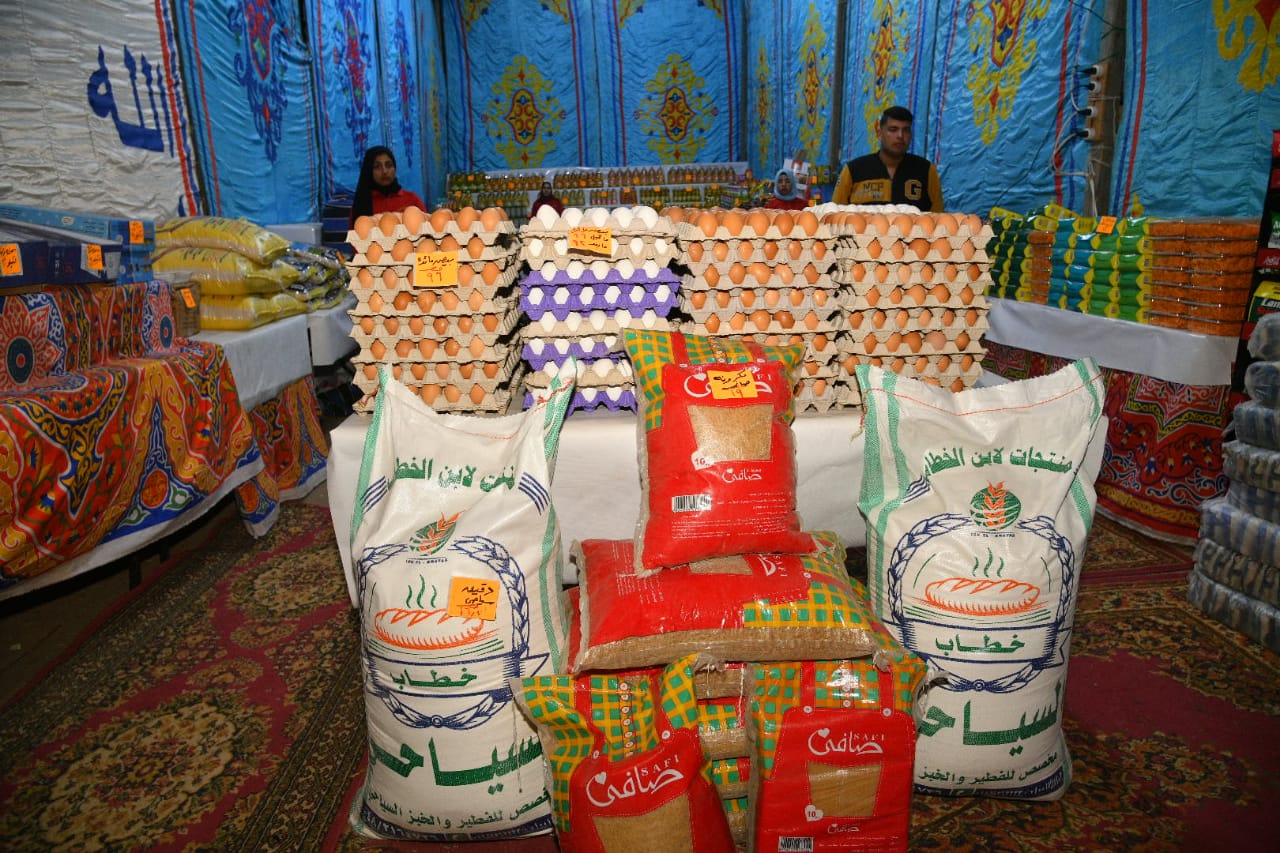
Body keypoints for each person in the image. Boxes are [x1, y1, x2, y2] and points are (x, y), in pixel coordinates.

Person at [832, 106, 943, 211]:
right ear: (879, 133)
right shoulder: (854, 170)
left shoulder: (925, 170)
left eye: (906, 130)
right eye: (893, 129)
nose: (900, 136)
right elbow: (835, 214)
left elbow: (938, 217)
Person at [349, 146, 425, 225]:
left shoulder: (412, 200)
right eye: (377, 167)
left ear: (395, 168)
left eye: (389, 165)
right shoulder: (361, 204)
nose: (384, 171)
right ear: (369, 171)